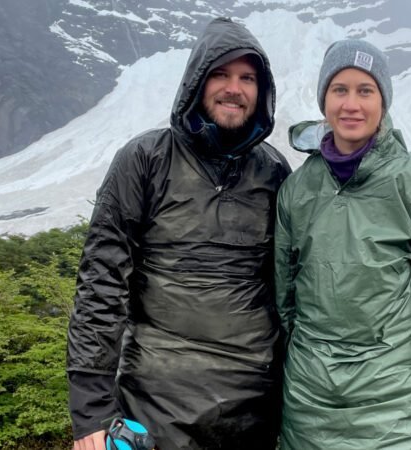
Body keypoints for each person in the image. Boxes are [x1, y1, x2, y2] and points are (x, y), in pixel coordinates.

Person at [67, 17, 291, 450]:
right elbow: (101, 285)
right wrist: (91, 409)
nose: (234, 88)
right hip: (154, 409)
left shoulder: (274, 171)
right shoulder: (144, 160)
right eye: (221, 74)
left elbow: (291, 290)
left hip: (255, 413)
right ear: (196, 82)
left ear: (261, 92)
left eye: (248, 78)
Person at [274, 39, 411, 449]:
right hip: (309, 410)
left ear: (383, 101)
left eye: (365, 91)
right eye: (340, 89)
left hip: (395, 412)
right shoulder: (297, 190)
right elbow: (285, 301)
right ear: (324, 100)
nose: (352, 104)